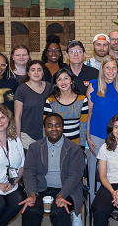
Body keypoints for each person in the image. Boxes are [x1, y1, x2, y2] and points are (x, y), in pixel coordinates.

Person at [20, 114, 87, 226]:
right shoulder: (34, 147)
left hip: (67, 188)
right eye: (50, 125)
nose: (54, 129)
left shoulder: (74, 148)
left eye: (58, 125)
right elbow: (29, 172)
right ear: (44, 129)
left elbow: (75, 175)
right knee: (31, 210)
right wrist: (31, 193)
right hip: (40, 188)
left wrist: (62, 194)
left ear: (62, 127)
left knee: (59, 212)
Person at [45, 68, 91, 201]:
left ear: (71, 80)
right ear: (55, 83)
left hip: (75, 146)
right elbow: (47, 127)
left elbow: (83, 126)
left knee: (74, 177)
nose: (63, 82)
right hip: (55, 146)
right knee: (58, 177)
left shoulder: (82, 99)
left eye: (66, 78)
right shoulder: (50, 101)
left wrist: (80, 148)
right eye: (59, 79)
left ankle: (75, 208)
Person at [87, 57, 118, 153]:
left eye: (114, 68)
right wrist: (88, 138)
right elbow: (89, 115)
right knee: (96, 167)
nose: (111, 71)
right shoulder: (93, 86)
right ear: (102, 69)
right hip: (97, 134)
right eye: (107, 67)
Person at [15, 60, 53, 149]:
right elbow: (17, 116)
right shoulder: (22, 89)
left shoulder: (50, 87)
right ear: (28, 73)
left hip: (47, 134)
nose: (36, 72)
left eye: (39, 70)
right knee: (30, 162)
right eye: (33, 70)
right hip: (27, 135)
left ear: (43, 72)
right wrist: (18, 138)